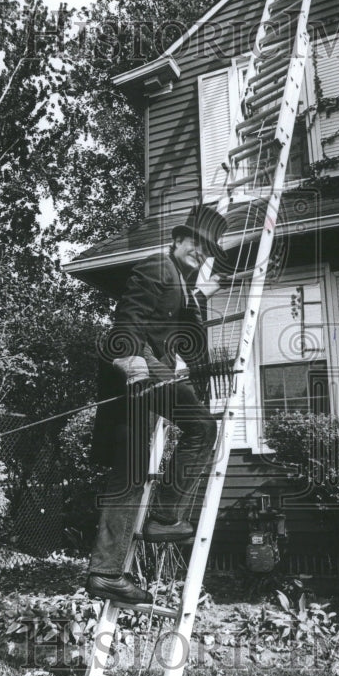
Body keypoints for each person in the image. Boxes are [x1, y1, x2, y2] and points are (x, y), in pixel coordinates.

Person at [86, 205, 228, 604]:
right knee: (202, 427)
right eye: (195, 244)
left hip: (152, 374)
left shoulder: (181, 284)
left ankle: (105, 573)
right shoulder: (157, 267)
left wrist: (200, 295)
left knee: (130, 472)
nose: (200, 253)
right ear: (178, 240)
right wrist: (129, 358)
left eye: (207, 250)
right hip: (141, 366)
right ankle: (165, 516)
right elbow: (128, 320)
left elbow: (188, 338)